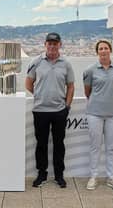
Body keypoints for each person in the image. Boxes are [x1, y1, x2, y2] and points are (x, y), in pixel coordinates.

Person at [25, 32, 75, 188]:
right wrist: (39, 95)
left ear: (60, 45)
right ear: (45, 45)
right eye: (50, 43)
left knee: (59, 144)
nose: (52, 46)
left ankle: (59, 175)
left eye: (55, 43)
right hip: (40, 110)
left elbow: (71, 86)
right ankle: (42, 174)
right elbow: (28, 83)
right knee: (41, 144)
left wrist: (67, 106)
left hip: (60, 111)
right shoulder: (36, 62)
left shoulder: (66, 64)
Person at [83, 40, 113, 191]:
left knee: (111, 147)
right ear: (97, 52)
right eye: (100, 49)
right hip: (94, 113)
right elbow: (87, 92)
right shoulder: (90, 70)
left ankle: (111, 177)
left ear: (110, 50)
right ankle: (93, 176)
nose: (103, 51)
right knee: (95, 146)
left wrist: (110, 100)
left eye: (106, 48)